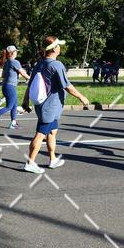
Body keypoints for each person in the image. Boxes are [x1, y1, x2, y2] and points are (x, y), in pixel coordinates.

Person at [21, 36, 90, 173]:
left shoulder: (39, 64)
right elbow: (67, 86)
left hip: (49, 106)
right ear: (53, 49)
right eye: (58, 45)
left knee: (52, 132)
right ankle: (30, 162)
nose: (60, 47)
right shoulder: (56, 65)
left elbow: (30, 84)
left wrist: (25, 100)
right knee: (40, 134)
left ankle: (52, 159)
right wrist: (82, 97)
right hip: (49, 107)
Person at [0, 45, 30, 129]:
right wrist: (30, 79)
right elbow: (23, 73)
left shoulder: (7, 62)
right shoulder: (15, 62)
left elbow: (3, 75)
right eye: (16, 51)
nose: (17, 53)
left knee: (14, 104)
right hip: (10, 86)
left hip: (5, 86)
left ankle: (13, 123)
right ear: (12, 53)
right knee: (9, 106)